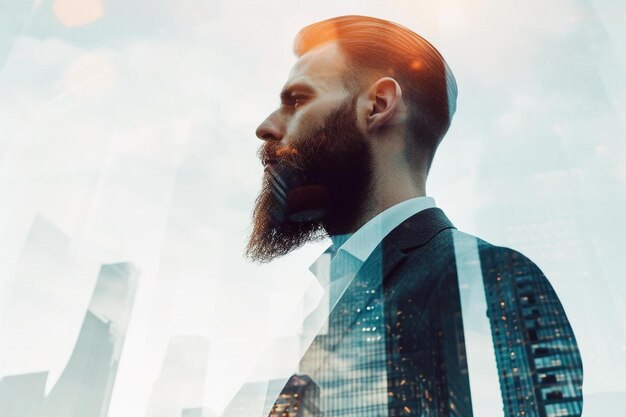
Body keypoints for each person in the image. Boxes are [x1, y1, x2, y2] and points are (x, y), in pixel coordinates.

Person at [246, 15, 583, 417]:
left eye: (298, 99)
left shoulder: (487, 275)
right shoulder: (329, 295)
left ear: (378, 105)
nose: (265, 127)